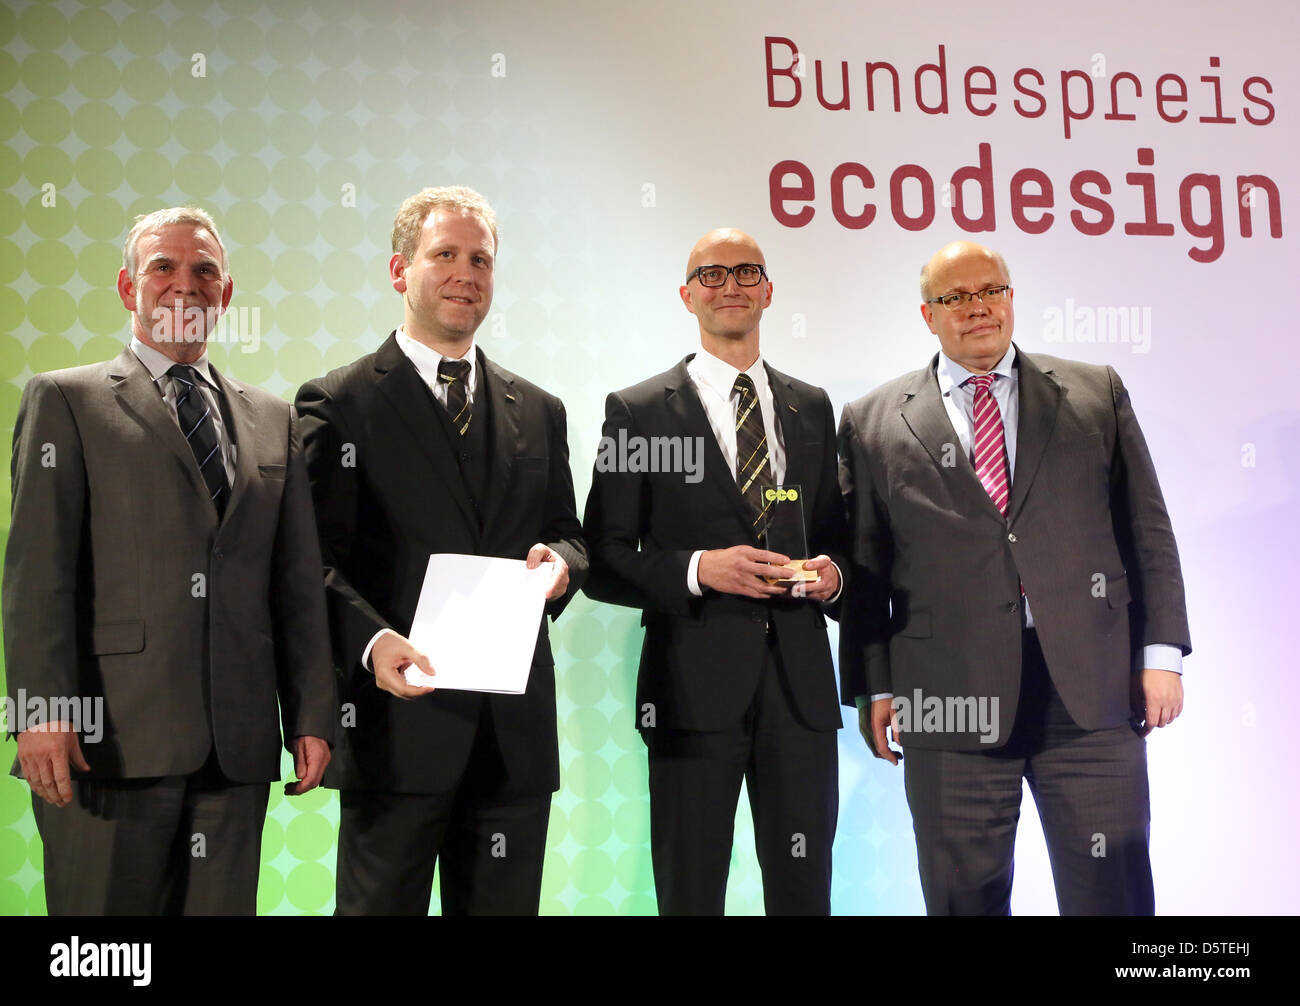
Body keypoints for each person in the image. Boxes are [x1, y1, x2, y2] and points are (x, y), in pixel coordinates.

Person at [837, 239, 1191, 915]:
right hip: (946, 698)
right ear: (927, 314)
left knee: (1111, 892)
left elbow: (1147, 531)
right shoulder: (873, 420)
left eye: (990, 291)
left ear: (1010, 299)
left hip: (1092, 691)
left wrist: (1161, 654)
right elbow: (868, 570)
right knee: (962, 898)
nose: (977, 309)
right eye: (956, 297)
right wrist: (874, 684)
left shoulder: (1095, 391)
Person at [2, 206, 335, 915]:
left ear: (226, 293)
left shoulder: (273, 419)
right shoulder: (66, 400)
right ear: (129, 288)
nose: (185, 284)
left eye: (204, 270)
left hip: (237, 748)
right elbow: (38, 577)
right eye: (164, 267)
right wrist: (37, 711)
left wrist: (311, 713)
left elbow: (297, 587)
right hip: (108, 742)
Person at [295, 186, 586, 915]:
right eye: (446, 255)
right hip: (396, 735)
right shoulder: (340, 402)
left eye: (481, 259)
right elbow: (310, 561)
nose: (467, 273)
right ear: (400, 271)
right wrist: (371, 642)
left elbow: (571, 537)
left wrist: (562, 568)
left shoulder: (540, 410)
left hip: (511, 743)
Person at [582, 228, 849, 915]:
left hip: (800, 692)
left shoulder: (812, 405)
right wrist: (701, 569)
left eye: (745, 271)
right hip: (690, 691)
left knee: (805, 889)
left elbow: (845, 540)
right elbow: (603, 557)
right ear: (686, 295)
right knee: (691, 888)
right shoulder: (638, 412)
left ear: (768, 290)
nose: (729, 285)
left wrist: (834, 577)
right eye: (711, 274)